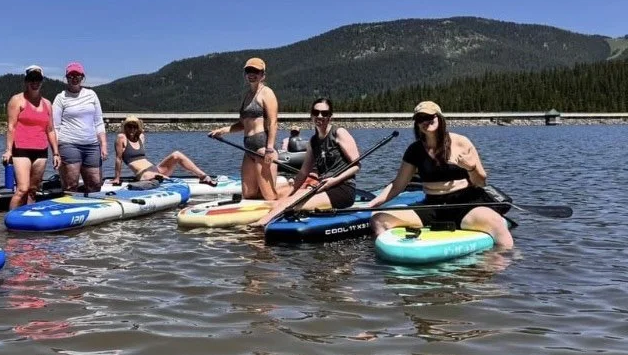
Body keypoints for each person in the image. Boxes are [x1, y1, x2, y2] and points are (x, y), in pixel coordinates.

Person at [367, 100, 513, 248]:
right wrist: (371, 205)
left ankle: (506, 260)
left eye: (430, 117)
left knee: (496, 224)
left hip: (465, 204)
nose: (426, 121)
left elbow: (481, 182)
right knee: (378, 220)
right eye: (420, 119)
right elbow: (397, 185)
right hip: (432, 205)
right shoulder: (414, 150)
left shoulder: (461, 142)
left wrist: (471, 168)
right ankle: (388, 264)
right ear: (416, 124)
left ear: (440, 118)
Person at [252, 98, 360, 227]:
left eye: (324, 113)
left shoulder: (339, 133)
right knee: (282, 202)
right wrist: (287, 195)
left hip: (343, 189)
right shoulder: (313, 142)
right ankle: (269, 217)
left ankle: (258, 227)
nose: (320, 116)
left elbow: (357, 166)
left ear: (330, 116)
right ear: (311, 115)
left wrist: (334, 180)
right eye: (316, 112)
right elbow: (303, 173)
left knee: (291, 204)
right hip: (322, 187)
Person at [208, 57, 280, 200]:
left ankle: (289, 193)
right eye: (248, 71)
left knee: (269, 195)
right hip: (248, 148)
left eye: (256, 71)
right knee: (248, 193)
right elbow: (243, 124)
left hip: (263, 146)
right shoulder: (247, 96)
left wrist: (269, 149)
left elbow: (273, 122)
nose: (251, 74)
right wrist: (223, 130)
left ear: (262, 75)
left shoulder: (267, 93)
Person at [2, 65, 60, 209]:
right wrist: (9, 150)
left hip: (41, 150)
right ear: (26, 81)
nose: (35, 82)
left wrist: (56, 153)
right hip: (21, 149)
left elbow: (51, 130)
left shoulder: (47, 104)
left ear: (42, 81)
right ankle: (11, 220)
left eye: (38, 79)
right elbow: (11, 127)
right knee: (22, 189)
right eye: (31, 79)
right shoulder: (17, 100)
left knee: (33, 191)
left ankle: (28, 222)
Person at [110, 115, 217, 186]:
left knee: (177, 154)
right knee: (151, 176)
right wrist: (117, 178)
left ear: (137, 127)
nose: (132, 129)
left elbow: (141, 133)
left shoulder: (141, 137)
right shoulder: (121, 137)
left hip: (156, 169)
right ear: (125, 127)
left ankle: (203, 176)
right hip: (143, 174)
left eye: (134, 126)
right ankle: (169, 182)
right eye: (129, 126)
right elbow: (118, 159)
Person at [52, 62, 107, 193]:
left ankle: (94, 209)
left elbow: (98, 121)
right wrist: (55, 152)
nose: (74, 78)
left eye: (77, 75)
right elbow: (55, 127)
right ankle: (68, 207)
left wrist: (103, 144)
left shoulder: (91, 95)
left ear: (82, 77)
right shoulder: (61, 98)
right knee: (71, 183)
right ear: (66, 78)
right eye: (71, 76)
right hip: (69, 144)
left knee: (95, 182)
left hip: (91, 145)